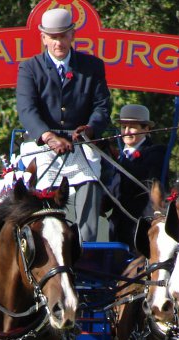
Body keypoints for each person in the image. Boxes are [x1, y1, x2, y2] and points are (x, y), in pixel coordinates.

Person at [16, 6, 111, 241]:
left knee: (90, 179)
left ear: (72, 35)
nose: (58, 43)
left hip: (79, 142)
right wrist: (48, 137)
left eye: (63, 36)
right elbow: (27, 110)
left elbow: (102, 106)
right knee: (43, 189)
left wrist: (90, 128)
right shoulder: (29, 68)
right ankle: (49, 241)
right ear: (44, 38)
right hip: (44, 143)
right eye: (53, 37)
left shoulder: (92, 66)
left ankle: (86, 243)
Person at [106, 104, 166, 247]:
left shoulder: (157, 153)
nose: (126, 132)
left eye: (132, 127)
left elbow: (141, 180)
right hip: (118, 227)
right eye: (123, 127)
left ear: (146, 129)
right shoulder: (120, 156)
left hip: (142, 225)